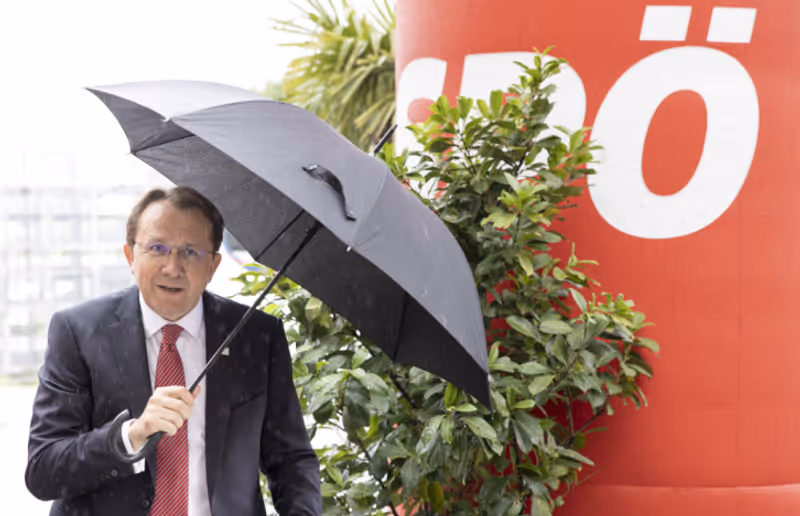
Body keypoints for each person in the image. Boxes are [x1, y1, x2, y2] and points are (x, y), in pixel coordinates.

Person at [25, 186, 322, 515]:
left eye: (190, 252)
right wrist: (131, 436)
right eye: (157, 248)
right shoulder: (78, 332)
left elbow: (291, 461)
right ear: (130, 256)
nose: (173, 267)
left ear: (213, 266)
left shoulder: (255, 335)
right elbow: (43, 470)